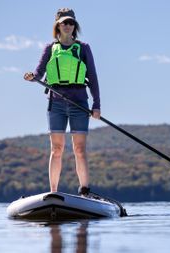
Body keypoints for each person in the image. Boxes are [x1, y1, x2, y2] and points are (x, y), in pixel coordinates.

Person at [23, 8, 100, 197]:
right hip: (56, 103)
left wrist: (96, 104)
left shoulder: (83, 48)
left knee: (79, 149)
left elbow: (93, 77)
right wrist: (32, 77)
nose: (67, 26)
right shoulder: (50, 48)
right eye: (64, 23)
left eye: (71, 23)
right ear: (58, 25)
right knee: (56, 149)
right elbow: (39, 73)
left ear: (75, 26)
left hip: (79, 103)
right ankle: (54, 193)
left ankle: (84, 190)